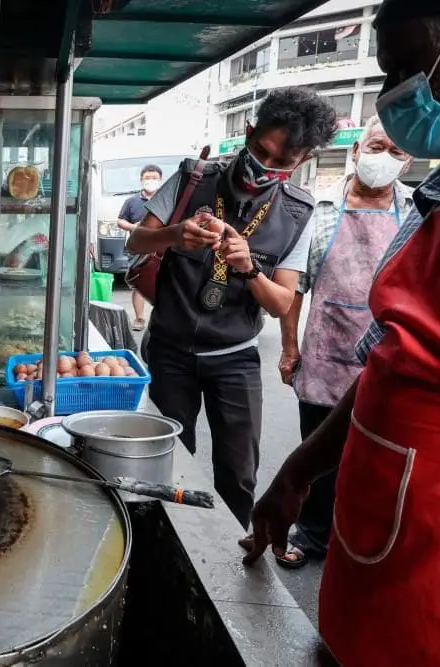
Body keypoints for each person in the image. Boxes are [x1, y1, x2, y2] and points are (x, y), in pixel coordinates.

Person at [245, 2, 440, 665]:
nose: (392, 95)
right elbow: (390, 362)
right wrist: (303, 465)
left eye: (405, 68)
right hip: (371, 546)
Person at [127, 87, 337, 528]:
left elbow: (282, 303)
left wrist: (249, 269)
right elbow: (136, 242)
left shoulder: (297, 212)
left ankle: (234, 551)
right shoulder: (192, 178)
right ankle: (169, 539)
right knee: (170, 460)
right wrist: (174, 234)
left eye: (282, 162)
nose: (265, 167)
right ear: (248, 131)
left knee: (239, 473)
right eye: (261, 151)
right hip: (169, 351)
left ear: (302, 160)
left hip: (234, 360)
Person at [269, 116, 414, 570]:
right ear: (355, 151)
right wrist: (289, 349)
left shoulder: (417, 212)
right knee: (318, 455)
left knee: (378, 459)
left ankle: (365, 545)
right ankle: (313, 536)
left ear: (408, 162)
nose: (384, 159)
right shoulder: (320, 209)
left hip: (389, 360)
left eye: (396, 151)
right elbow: (295, 289)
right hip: (326, 357)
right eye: (376, 147)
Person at [117, 164, 163, 331]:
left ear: (161, 180)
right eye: (147, 178)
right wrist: (134, 227)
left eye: (154, 178)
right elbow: (120, 220)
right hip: (138, 249)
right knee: (139, 282)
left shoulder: (165, 199)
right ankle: (139, 318)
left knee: (165, 282)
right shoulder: (132, 201)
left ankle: (163, 318)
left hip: (162, 248)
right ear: (141, 180)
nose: (151, 181)